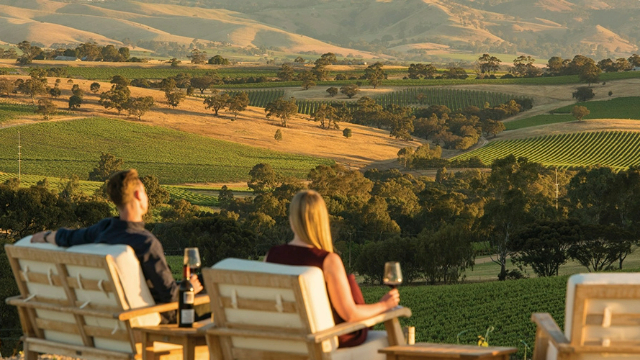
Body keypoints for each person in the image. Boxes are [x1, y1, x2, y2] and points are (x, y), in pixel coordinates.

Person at [31, 169, 203, 323]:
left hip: (110, 321)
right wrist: (192, 289)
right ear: (137, 195)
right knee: (208, 289)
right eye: (144, 191)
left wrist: (46, 236)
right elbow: (172, 298)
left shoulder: (103, 229)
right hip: (159, 318)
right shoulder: (146, 243)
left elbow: (69, 237)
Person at [265, 190, 400, 348]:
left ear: (291, 220)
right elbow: (350, 314)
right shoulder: (327, 260)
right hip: (318, 344)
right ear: (322, 222)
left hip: (281, 343)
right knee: (390, 341)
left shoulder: (271, 256)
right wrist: (384, 305)